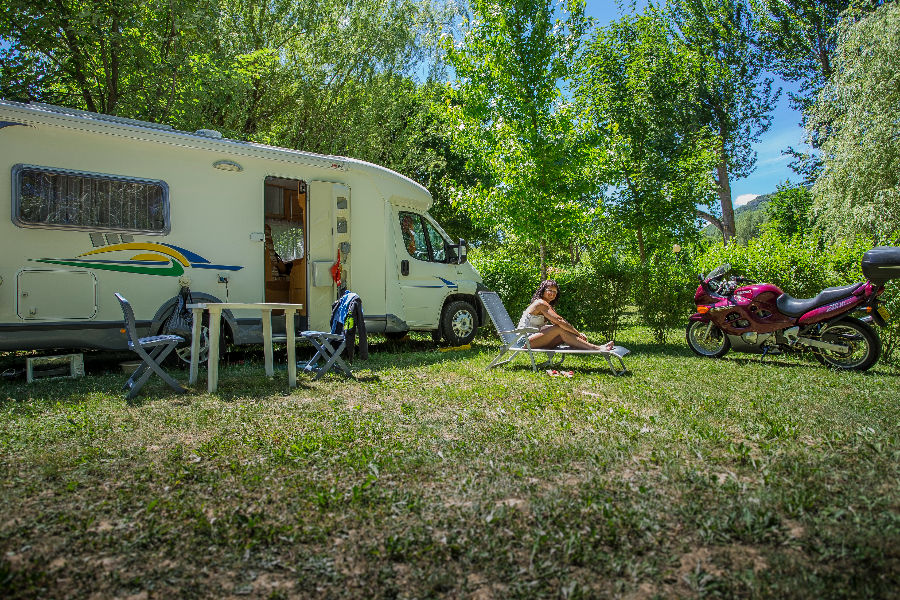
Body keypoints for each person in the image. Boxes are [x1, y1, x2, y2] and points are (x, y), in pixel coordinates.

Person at [517, 279, 614, 351]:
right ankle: (596, 348)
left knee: (561, 329)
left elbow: (557, 322)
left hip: (535, 340)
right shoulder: (540, 303)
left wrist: (576, 334)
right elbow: (560, 321)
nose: (552, 293)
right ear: (543, 290)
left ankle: (579, 345)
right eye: (549, 290)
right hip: (524, 341)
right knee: (559, 328)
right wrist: (578, 334)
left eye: (555, 292)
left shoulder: (547, 305)